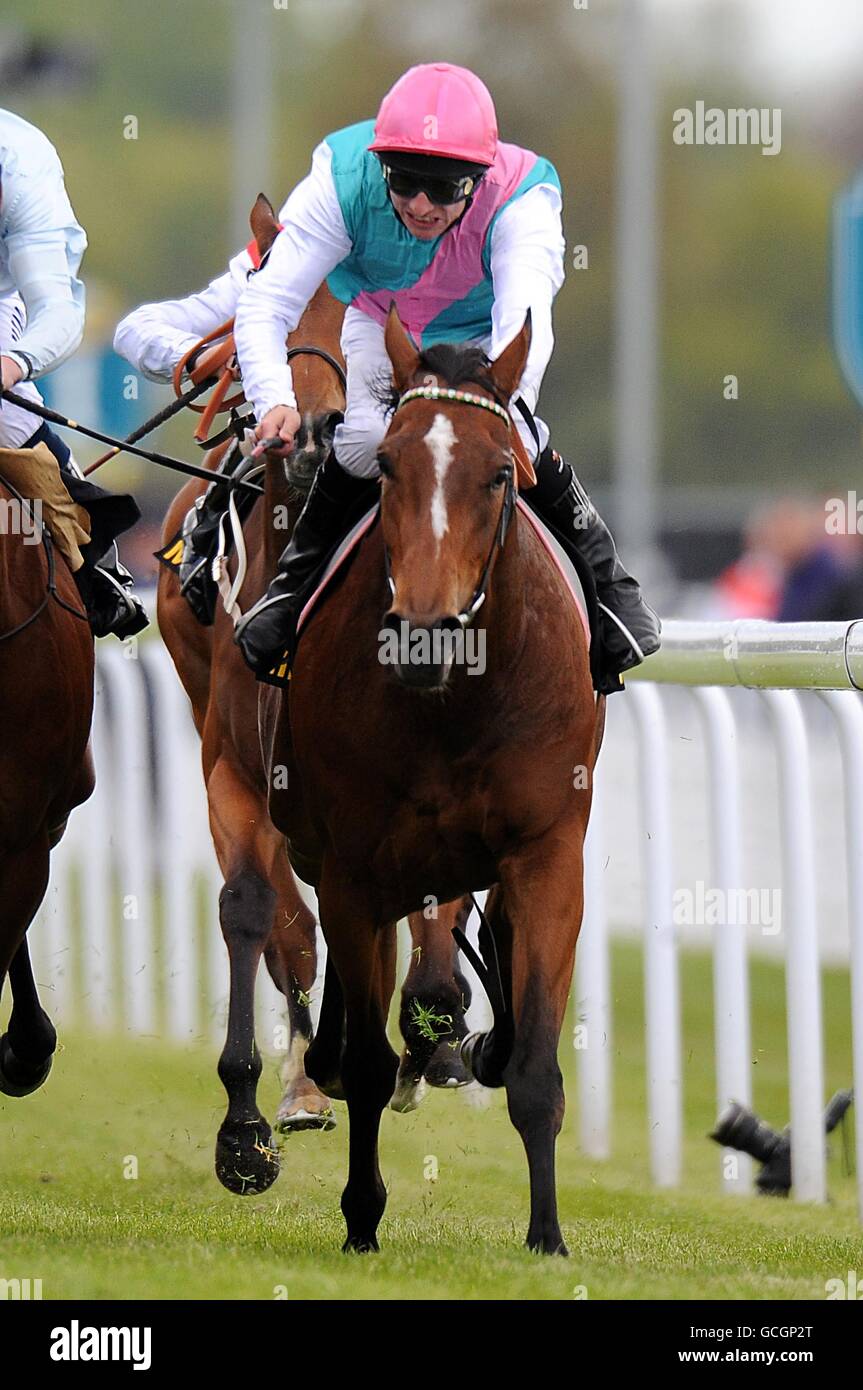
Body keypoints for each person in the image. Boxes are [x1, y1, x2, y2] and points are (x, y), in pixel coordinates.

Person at [230, 62, 660, 690]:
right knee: (357, 445)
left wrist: (503, 408)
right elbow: (266, 303)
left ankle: (610, 586)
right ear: (381, 167)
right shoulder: (342, 178)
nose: (421, 204)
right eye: (403, 182)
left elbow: (524, 328)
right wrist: (274, 400)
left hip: (486, 333)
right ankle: (290, 592)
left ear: (479, 178)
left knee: (515, 438)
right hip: (386, 322)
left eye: (444, 185)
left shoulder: (525, 199)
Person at [0, 107, 147, 638]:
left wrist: (13, 364)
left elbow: (56, 312)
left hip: (5, 291)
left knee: (5, 414)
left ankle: (93, 556)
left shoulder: (22, 168)